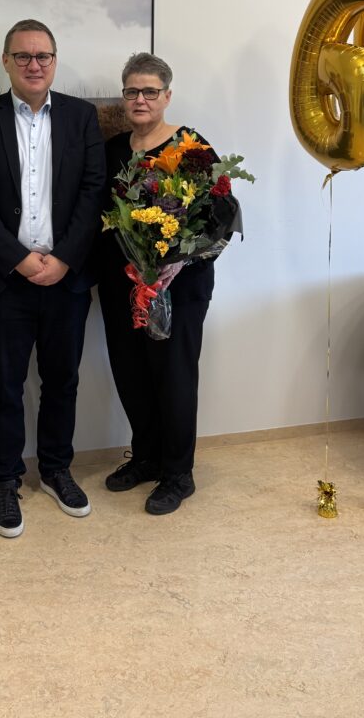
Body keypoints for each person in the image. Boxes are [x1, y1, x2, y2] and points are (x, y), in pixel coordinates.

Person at [0, 19, 105, 538]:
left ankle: (57, 470)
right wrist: (19, 258)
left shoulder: (82, 118)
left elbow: (93, 192)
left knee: (63, 381)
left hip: (67, 278)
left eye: (43, 56)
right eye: (23, 56)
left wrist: (63, 258)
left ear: (55, 61)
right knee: (4, 386)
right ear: (6, 62)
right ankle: (5, 479)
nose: (34, 65)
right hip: (3, 279)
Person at [98, 52, 221, 515]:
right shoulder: (113, 150)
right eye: (132, 91)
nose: (140, 99)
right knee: (131, 375)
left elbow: (218, 218)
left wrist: (176, 262)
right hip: (122, 288)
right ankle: (146, 457)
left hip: (177, 289)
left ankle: (178, 474)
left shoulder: (190, 148)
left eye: (150, 91)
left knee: (174, 378)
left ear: (167, 96)